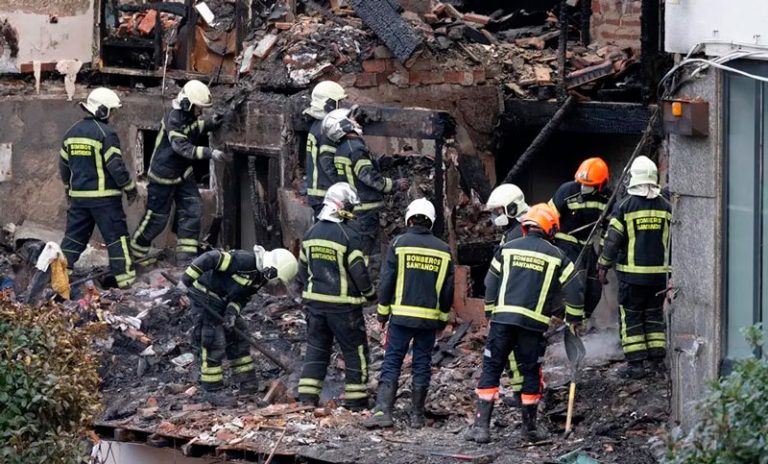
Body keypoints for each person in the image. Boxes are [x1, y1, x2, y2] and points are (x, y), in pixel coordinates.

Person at [465, 204, 584, 444]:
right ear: (550, 230)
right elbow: (575, 291)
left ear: (525, 226)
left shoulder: (506, 249)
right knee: (530, 372)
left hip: (502, 321)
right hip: (532, 325)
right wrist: (574, 320)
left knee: (492, 368)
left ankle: (480, 429)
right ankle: (529, 430)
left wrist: (491, 313)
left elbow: (491, 284)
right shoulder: (557, 256)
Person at [364, 198, 454, 429]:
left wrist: (382, 314)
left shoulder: (399, 243)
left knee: (392, 361)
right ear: (431, 221)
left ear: (410, 218)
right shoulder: (444, 250)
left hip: (401, 319)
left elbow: (387, 281)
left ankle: (383, 411)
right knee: (422, 364)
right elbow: (447, 289)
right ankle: (417, 416)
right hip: (428, 321)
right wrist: (443, 318)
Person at [131, 80, 231, 266]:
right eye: (199, 108)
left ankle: (185, 259)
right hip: (163, 177)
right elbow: (182, 147)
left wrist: (209, 123)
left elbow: (195, 128)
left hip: (183, 173)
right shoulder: (174, 119)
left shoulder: (188, 116)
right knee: (156, 220)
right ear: (187, 104)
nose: (200, 112)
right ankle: (135, 254)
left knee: (193, 210)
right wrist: (211, 153)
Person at [297, 183, 376, 410]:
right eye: (350, 207)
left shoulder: (310, 233)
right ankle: (356, 399)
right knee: (354, 351)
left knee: (316, 350)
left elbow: (302, 271)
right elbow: (358, 270)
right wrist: (370, 294)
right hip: (343, 307)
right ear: (341, 206)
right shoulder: (348, 235)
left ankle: (306, 399)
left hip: (314, 305)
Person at [181, 246, 298, 397]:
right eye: (278, 278)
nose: (276, 283)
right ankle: (212, 390)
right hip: (205, 296)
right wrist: (185, 281)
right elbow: (210, 258)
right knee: (213, 340)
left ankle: (246, 382)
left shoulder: (260, 277)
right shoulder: (244, 261)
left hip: (223, 302)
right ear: (271, 268)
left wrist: (231, 313)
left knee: (239, 335)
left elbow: (242, 298)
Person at [597, 156, 672, 379]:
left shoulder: (624, 207)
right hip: (659, 277)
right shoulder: (666, 207)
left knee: (632, 318)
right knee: (654, 316)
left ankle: (636, 366)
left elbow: (612, 240)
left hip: (632, 277)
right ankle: (657, 362)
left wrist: (603, 265)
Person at [59, 88, 138, 289]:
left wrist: (69, 189)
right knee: (116, 239)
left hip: (78, 199)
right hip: (105, 200)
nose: (112, 115)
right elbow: (115, 166)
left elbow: (64, 166)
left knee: (73, 239)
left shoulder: (70, 133)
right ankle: (126, 284)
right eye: (111, 111)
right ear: (102, 111)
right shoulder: (106, 133)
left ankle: (59, 280)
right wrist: (129, 188)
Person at [322, 109, 409, 257]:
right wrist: (395, 185)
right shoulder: (355, 148)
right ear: (343, 125)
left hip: (355, 211)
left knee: (359, 252)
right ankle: (368, 279)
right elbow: (367, 175)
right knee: (368, 255)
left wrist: (394, 160)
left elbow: (364, 167)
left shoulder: (344, 148)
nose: (356, 121)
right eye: (351, 119)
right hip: (364, 211)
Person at [484, 183, 530, 407]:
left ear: (512, 208)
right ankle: (521, 393)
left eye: (498, 211)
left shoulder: (517, 234)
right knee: (516, 351)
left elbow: (495, 274)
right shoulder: (515, 231)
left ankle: (523, 394)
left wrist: (489, 306)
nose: (495, 217)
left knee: (512, 350)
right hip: (518, 299)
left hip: (511, 300)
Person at [549, 157, 612, 319]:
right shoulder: (567, 191)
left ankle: (583, 320)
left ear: (601, 184)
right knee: (575, 281)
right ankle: (564, 319)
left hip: (588, 245)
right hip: (565, 242)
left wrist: (603, 258)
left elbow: (609, 229)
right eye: (582, 183)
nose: (584, 187)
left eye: (589, 185)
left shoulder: (607, 199)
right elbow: (549, 218)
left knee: (594, 286)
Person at [303, 81, 347, 217]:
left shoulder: (317, 125)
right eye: (340, 103)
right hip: (325, 194)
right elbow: (327, 164)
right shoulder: (326, 130)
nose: (343, 107)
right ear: (329, 105)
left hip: (319, 193)